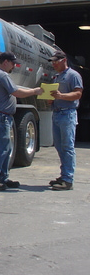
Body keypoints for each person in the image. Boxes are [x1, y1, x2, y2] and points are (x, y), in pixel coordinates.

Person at [0, 51, 44, 190]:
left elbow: (15, 90)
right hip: (0, 117)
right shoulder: (1, 75)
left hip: (3, 117)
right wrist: (34, 91)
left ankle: (2, 178)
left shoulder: (1, 75)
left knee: (5, 149)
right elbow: (16, 92)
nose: (14, 66)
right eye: (13, 63)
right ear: (5, 62)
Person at [48, 50, 83, 191]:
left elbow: (78, 93)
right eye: (52, 61)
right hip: (57, 113)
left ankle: (68, 179)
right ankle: (64, 175)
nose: (54, 64)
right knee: (59, 146)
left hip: (67, 114)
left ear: (64, 60)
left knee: (67, 147)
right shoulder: (56, 77)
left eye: (56, 61)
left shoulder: (73, 75)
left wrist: (61, 96)